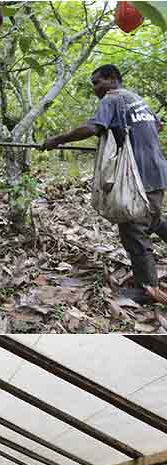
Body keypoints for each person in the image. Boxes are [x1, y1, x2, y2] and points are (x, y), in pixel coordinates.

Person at [42, 64, 167, 304]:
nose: (96, 89)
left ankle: (148, 290)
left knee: (133, 230)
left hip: (138, 176)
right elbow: (157, 125)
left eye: (97, 83)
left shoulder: (111, 100)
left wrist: (57, 140)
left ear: (111, 79)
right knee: (150, 218)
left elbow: (91, 128)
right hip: (157, 171)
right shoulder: (136, 99)